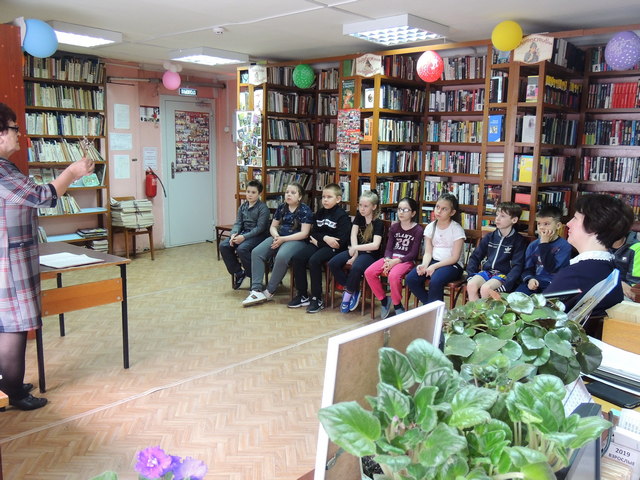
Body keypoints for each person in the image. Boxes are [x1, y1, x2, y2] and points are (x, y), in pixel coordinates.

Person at [0, 103, 95, 410]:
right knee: (14, 326)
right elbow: (41, 197)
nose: (19, 134)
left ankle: (9, 384)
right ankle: (14, 392)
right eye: (14, 128)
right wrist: (72, 172)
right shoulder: (1, 170)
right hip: (9, 265)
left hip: (8, 260)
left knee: (8, 325)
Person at [545, 194, 634, 316]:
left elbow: (536, 318)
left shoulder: (577, 275)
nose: (569, 223)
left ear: (593, 226)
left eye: (575, 218)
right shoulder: (608, 268)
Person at [242, 182, 313, 306]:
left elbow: (304, 233)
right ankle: (256, 289)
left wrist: (283, 239)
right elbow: (273, 226)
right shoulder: (281, 207)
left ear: (300, 196)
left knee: (281, 256)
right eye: (287, 192)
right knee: (257, 252)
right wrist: (276, 236)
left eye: (293, 193)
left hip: (297, 240)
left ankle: (270, 291)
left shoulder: (305, 210)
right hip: (279, 237)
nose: (289, 195)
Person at [289, 183, 351, 313]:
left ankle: (317, 298)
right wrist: (325, 238)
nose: (325, 200)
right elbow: (313, 233)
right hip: (320, 243)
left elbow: (340, 242)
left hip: (335, 249)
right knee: (298, 258)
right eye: (323, 197)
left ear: (338, 199)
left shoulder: (342, 216)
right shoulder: (320, 213)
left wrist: (320, 242)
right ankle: (302, 294)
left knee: (314, 260)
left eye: (329, 197)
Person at [364, 197, 423, 319]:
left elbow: (413, 253)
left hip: (406, 260)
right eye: (399, 209)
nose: (401, 212)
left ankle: (397, 305)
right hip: (391, 258)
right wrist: (387, 260)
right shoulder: (394, 227)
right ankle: (384, 300)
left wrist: (396, 261)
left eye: (405, 210)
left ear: (413, 213)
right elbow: (389, 248)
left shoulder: (418, 230)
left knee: (393, 275)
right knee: (369, 272)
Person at [328, 190, 384, 314]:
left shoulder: (378, 223)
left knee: (356, 267)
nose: (362, 209)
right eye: (360, 205)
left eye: (366, 206)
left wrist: (356, 249)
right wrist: (355, 253)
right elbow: (353, 234)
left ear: (374, 207)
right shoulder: (359, 217)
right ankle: (352, 288)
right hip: (357, 250)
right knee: (333, 263)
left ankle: (347, 296)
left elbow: (375, 245)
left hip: (370, 255)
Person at [405, 193, 466, 305]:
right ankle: (432, 307)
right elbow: (428, 252)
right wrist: (424, 265)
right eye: (437, 207)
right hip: (433, 261)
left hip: (453, 265)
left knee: (436, 280)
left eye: (444, 209)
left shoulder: (456, 229)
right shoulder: (430, 227)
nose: (439, 211)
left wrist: (434, 266)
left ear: (452, 212)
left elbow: (454, 258)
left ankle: (433, 310)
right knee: (411, 279)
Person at [466, 202, 528, 301]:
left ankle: (487, 311)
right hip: (487, 272)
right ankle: (476, 310)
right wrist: (471, 275)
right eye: (497, 215)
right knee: (471, 285)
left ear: (514, 220)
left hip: (504, 275)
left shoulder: (518, 241)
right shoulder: (490, 237)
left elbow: (518, 266)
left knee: (486, 289)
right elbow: (475, 257)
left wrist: (507, 284)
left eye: (502, 216)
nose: (497, 219)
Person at [220, 180, 270, 289]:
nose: (250, 195)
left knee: (242, 249)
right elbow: (238, 223)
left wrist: (243, 237)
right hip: (243, 233)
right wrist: (233, 234)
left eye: (253, 192)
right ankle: (238, 272)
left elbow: (260, 228)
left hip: (258, 236)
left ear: (259, 193)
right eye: (248, 192)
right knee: (224, 245)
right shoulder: (243, 206)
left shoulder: (263, 208)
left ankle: (254, 278)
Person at [515, 205, 572, 295]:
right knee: (516, 297)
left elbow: (552, 268)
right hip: (535, 282)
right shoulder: (533, 245)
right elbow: (527, 269)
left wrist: (544, 244)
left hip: (553, 284)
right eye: (539, 224)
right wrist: (530, 279)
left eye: (546, 224)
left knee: (543, 301)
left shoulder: (564, 246)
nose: (541, 227)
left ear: (558, 225)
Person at [612, 231, 640, 300]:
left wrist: (618, 284)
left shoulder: (637, 247)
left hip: (626, 295)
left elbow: (635, 286)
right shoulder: (598, 245)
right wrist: (618, 283)